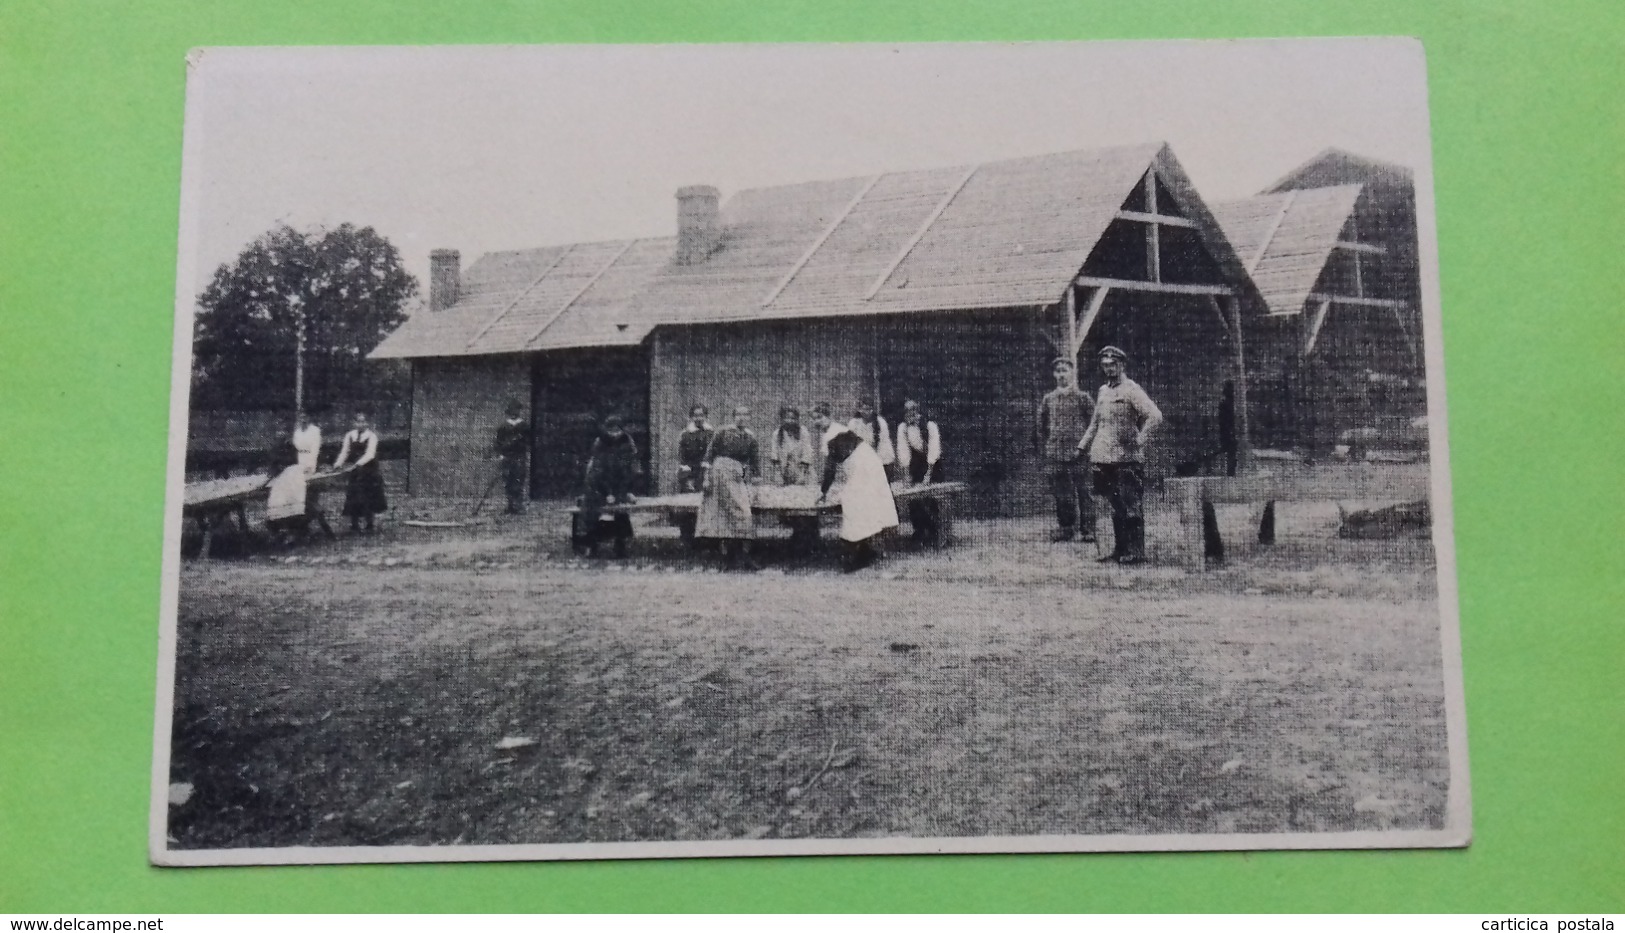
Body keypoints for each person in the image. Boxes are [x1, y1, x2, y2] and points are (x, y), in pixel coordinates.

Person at [1077, 346, 1163, 565]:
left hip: (1127, 459)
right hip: (1103, 457)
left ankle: (1136, 551)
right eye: (1105, 365)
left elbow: (1155, 416)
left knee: (1131, 506)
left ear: (1122, 365)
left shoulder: (1131, 390)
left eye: (1112, 365)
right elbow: (1096, 423)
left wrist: (1140, 440)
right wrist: (1082, 447)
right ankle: (1120, 548)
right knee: (1115, 506)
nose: (1108, 369)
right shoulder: (1103, 391)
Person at [813, 407, 900, 572]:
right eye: (814, 418)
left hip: (866, 466)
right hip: (862, 465)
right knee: (860, 506)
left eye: (820, 417)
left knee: (853, 505)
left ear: (829, 417)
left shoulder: (834, 433)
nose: (817, 422)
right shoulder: (830, 434)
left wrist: (823, 492)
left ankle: (856, 556)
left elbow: (830, 469)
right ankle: (866, 551)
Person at [1037, 357, 1097, 543]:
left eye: (1065, 370)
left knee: (1084, 491)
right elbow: (1042, 426)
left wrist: (1086, 447)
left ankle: (1088, 530)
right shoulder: (1048, 399)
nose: (1062, 374)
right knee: (1062, 493)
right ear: (1054, 375)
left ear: (1072, 373)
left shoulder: (1083, 398)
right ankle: (1066, 527)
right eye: (1059, 371)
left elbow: (1094, 424)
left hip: (1080, 453)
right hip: (1056, 453)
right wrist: (1050, 445)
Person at [696, 406, 760, 570]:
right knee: (722, 517)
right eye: (738, 414)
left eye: (745, 414)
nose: (741, 417)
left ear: (749, 418)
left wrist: (749, 481)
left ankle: (744, 556)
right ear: (734, 416)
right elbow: (709, 455)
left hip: (737, 475)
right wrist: (706, 478)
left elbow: (753, 462)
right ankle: (727, 559)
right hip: (718, 474)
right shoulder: (722, 432)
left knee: (744, 513)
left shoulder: (750, 438)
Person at [581, 415, 640, 558]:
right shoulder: (600, 443)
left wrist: (627, 490)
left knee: (620, 510)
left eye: (617, 430)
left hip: (619, 484)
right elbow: (597, 470)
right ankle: (591, 543)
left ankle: (620, 544)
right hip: (599, 484)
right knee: (591, 507)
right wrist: (607, 492)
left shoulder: (627, 443)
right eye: (611, 430)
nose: (614, 433)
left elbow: (631, 470)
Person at [895, 399, 943, 545]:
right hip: (916, 464)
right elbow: (903, 451)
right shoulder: (902, 428)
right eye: (907, 411)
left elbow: (934, 450)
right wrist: (906, 473)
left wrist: (928, 474)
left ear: (918, 411)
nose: (910, 414)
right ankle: (919, 530)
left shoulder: (930, 426)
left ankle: (935, 531)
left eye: (913, 411)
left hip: (933, 464)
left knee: (931, 497)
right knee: (913, 498)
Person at [265, 442, 333, 546]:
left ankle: (295, 530)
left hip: (295, 488)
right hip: (286, 487)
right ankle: (289, 530)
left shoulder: (297, 465)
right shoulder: (284, 464)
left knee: (303, 500)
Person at [332, 412, 387, 533]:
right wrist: (338, 464)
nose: (360, 424)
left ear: (367, 423)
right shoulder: (349, 435)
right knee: (354, 496)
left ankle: (370, 524)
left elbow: (370, 454)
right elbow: (345, 452)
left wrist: (357, 464)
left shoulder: (372, 436)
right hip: (355, 472)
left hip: (369, 471)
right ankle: (354, 525)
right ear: (354, 423)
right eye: (358, 421)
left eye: (363, 421)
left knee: (369, 497)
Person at [673, 404, 713, 545]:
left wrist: (708, 475)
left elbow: (712, 456)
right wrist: (686, 479)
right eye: (696, 415)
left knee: (707, 506)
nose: (699, 418)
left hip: (706, 474)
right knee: (688, 507)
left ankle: (706, 539)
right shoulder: (685, 434)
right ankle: (687, 539)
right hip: (690, 474)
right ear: (691, 417)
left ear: (705, 416)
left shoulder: (711, 433)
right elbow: (682, 458)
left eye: (701, 415)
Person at [494, 400, 531, 515]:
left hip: (519, 457)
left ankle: (518, 505)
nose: (515, 412)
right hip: (507, 457)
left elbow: (527, 442)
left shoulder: (524, 426)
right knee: (508, 481)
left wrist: (526, 453)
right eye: (513, 410)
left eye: (517, 410)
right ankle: (510, 505)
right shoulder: (503, 427)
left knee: (519, 480)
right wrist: (500, 455)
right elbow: (498, 442)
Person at [847, 399, 896, 479]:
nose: (867, 412)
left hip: (880, 457)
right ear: (860, 409)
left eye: (869, 409)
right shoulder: (854, 423)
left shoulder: (880, 423)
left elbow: (884, 445)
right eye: (865, 409)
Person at [768, 405, 814, 486]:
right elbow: (774, 456)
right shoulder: (777, 434)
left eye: (793, 418)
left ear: (797, 419)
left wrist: (802, 475)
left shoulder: (803, 432)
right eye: (786, 418)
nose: (790, 421)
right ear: (781, 419)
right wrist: (778, 475)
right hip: (784, 472)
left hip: (803, 472)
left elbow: (807, 454)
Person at [292, 409, 323, 476]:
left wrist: (310, 465)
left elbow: (315, 449)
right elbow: (297, 445)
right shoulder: (297, 432)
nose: (303, 420)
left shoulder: (315, 430)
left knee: (309, 476)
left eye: (304, 417)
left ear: (308, 418)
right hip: (301, 458)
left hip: (311, 458)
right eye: (301, 417)